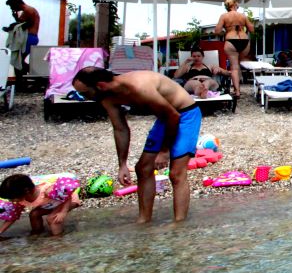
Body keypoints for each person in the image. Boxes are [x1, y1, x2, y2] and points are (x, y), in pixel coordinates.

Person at [71, 67, 200, 223]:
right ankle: (143, 221)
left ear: (101, 85)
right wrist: (122, 164)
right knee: (142, 169)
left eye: (85, 93)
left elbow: (173, 115)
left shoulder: (139, 87)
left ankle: (179, 225)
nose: (84, 98)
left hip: (185, 114)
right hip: (165, 117)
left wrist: (164, 151)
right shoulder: (107, 97)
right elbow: (120, 128)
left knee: (176, 173)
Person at [0, 172, 83, 237]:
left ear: (26, 191)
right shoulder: (20, 199)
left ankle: (58, 239)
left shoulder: (46, 191)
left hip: (68, 200)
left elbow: (66, 196)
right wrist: (1, 231)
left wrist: (63, 212)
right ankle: (37, 234)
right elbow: (12, 217)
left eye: (12, 198)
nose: (11, 201)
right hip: (51, 204)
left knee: (52, 218)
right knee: (34, 214)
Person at [214, 0, 254, 97]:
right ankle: (239, 85)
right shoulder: (243, 16)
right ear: (235, 4)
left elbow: (217, 31)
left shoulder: (224, 16)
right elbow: (252, 29)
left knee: (234, 67)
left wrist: (227, 30)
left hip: (231, 41)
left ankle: (237, 91)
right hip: (244, 41)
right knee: (238, 64)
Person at [4, 0, 40, 73]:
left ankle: (39, 77)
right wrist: (16, 18)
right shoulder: (29, 10)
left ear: (16, 4)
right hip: (31, 37)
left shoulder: (28, 10)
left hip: (29, 37)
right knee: (19, 61)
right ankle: (24, 81)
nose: (11, 8)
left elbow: (25, 25)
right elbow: (21, 24)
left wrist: (11, 27)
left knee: (18, 62)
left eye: (11, 6)